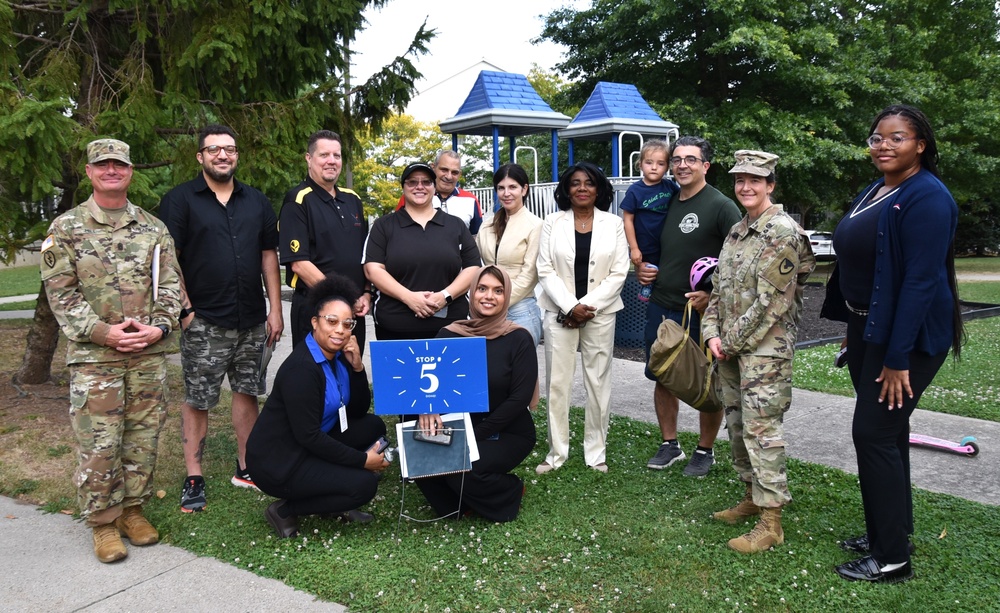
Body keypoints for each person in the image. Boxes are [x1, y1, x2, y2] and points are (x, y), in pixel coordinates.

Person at [827, 105, 962, 584]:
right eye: (877, 137)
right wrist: (853, 324)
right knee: (890, 432)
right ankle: (891, 531)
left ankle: (891, 560)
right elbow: (865, 267)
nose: (883, 145)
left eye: (896, 138)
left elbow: (921, 283)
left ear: (920, 144)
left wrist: (897, 357)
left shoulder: (928, 198)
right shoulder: (880, 188)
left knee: (875, 433)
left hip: (908, 339)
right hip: (870, 330)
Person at [40, 138, 182, 562]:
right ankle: (103, 523)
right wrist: (104, 332)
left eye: (118, 165)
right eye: (102, 165)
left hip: (146, 352)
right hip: (95, 357)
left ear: (130, 171)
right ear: (89, 172)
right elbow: (60, 294)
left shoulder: (153, 228)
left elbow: (172, 285)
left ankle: (132, 511)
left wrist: (157, 328)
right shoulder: (66, 228)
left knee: (142, 437)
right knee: (100, 442)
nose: (111, 171)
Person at [158, 124, 283, 513]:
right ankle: (194, 476)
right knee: (199, 398)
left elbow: (268, 256)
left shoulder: (257, 201)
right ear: (200, 157)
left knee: (247, 391)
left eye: (229, 149)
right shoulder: (180, 201)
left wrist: (275, 309)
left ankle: (247, 467)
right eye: (214, 150)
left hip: (251, 320)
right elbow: (169, 257)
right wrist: (186, 308)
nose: (223, 155)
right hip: (205, 320)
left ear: (236, 155)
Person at [702, 150, 815, 553]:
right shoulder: (737, 231)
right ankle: (752, 497)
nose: (745, 187)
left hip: (764, 353)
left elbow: (770, 303)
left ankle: (772, 522)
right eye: (739, 180)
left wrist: (728, 343)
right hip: (731, 349)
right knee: (736, 424)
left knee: (761, 431)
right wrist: (711, 332)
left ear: (771, 185)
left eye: (755, 180)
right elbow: (719, 289)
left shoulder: (783, 233)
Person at [245, 275, 389, 538]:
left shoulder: (337, 354)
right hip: (280, 461)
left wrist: (357, 367)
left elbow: (356, 410)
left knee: (373, 426)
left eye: (347, 324)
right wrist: (361, 461)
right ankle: (285, 511)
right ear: (314, 322)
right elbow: (307, 436)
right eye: (331, 321)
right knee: (363, 487)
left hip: (311, 442)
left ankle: (335, 496)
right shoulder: (302, 368)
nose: (340, 330)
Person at [636, 136, 743, 477]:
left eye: (691, 159)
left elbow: (740, 261)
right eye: (677, 159)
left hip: (700, 310)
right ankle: (670, 444)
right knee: (663, 373)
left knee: (706, 379)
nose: (682, 165)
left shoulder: (722, 206)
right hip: (662, 302)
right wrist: (641, 266)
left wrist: (713, 296)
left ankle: (705, 449)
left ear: (705, 166)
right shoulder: (666, 199)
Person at [414, 266, 538, 522]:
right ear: (472, 293)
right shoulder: (450, 334)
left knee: (463, 467)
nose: (489, 296)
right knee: (421, 458)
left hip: (508, 430)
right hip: (460, 426)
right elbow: (424, 384)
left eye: (498, 290)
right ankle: (461, 504)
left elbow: (519, 399)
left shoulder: (519, 338)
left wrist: (472, 438)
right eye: (482, 289)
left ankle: (510, 489)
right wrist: (428, 407)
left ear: (506, 297)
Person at [536, 162, 629, 474]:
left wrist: (585, 307)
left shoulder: (614, 224)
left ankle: (595, 453)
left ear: (599, 188)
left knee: (598, 383)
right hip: (558, 313)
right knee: (557, 383)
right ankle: (556, 454)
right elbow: (545, 268)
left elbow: (619, 272)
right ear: (566, 189)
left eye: (589, 183)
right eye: (575, 183)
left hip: (600, 314)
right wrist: (568, 307)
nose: (582, 188)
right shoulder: (552, 222)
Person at [363, 162, 482, 341]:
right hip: (395, 330)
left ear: (434, 187)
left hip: (451, 329)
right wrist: (409, 298)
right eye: (412, 182)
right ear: (403, 187)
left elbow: (473, 267)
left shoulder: (455, 225)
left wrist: (445, 296)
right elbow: (372, 269)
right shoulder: (384, 226)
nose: (420, 187)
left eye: (426, 182)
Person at [279, 130, 372, 348]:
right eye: (324, 155)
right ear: (309, 159)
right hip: (316, 307)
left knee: (352, 372)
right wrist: (343, 299)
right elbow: (300, 264)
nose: (331, 161)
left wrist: (366, 293)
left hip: (354, 310)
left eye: (336, 156)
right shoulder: (297, 200)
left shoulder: (353, 200)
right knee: (315, 377)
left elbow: (366, 255)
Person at [475, 163, 543, 344]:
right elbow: (478, 263)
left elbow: (530, 275)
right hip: (488, 308)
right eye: (501, 188)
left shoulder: (535, 225)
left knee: (522, 370)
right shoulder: (487, 224)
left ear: (524, 189)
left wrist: (499, 301)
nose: (506, 193)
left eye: (512, 187)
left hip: (520, 310)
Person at [620, 139, 678, 302]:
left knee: (665, 269)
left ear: (667, 167)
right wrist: (634, 248)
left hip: (666, 242)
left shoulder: (670, 187)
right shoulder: (635, 190)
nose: (654, 167)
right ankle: (647, 287)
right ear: (640, 164)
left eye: (660, 163)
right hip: (645, 244)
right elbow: (628, 219)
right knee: (648, 271)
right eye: (649, 162)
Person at [395, 150, 484, 234]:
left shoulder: (470, 200)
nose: (449, 176)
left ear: (459, 174)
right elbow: (397, 228)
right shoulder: (414, 196)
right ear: (433, 167)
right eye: (444, 170)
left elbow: (476, 236)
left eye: (454, 172)